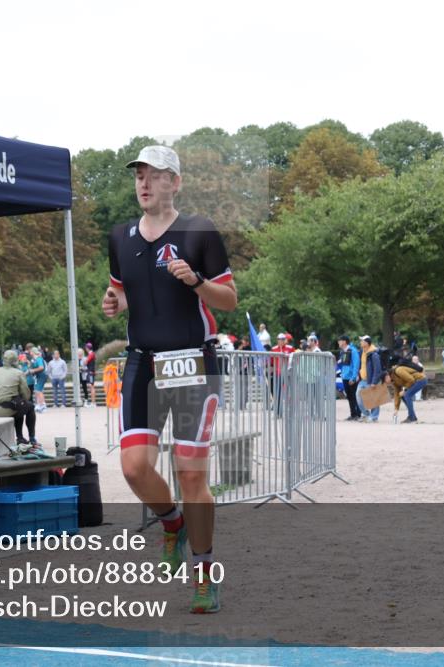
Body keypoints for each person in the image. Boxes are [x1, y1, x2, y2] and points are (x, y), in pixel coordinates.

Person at [101, 144, 237, 614]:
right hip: (142, 361)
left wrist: (197, 282)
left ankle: (204, 572)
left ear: (175, 182)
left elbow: (229, 300)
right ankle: (172, 523)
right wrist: (113, 302)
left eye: (155, 175)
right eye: (139, 174)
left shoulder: (199, 232)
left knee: (191, 474)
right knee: (134, 467)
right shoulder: (120, 237)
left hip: (193, 364)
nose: (144, 183)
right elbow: (119, 290)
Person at [0, 350, 38, 446]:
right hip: (7, 409)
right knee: (29, 406)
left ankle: (20, 437)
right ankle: (31, 438)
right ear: (15, 361)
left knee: (19, 405)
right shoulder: (18, 373)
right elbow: (26, 395)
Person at [388, 356, 427, 423]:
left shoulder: (398, 370)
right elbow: (397, 394)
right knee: (403, 396)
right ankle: (412, 416)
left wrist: (405, 390)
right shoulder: (393, 381)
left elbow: (411, 380)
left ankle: (411, 418)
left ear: (387, 376)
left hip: (420, 379)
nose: (386, 383)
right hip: (416, 381)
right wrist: (396, 408)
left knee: (407, 395)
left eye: (385, 381)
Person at [355, 335, 383, 422]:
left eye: (362, 341)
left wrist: (374, 382)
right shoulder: (362, 352)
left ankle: (374, 417)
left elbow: (377, 369)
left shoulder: (374, 354)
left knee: (374, 399)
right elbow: (361, 365)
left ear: (367, 343)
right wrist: (358, 375)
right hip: (363, 379)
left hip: (372, 380)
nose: (360, 342)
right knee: (358, 396)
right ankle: (366, 414)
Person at [270, 333, 294, 417]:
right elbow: (271, 362)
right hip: (278, 373)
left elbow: (294, 360)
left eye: (283, 339)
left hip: (288, 373)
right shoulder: (274, 349)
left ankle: (291, 412)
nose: (281, 341)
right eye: (279, 339)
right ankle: (278, 412)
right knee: (278, 393)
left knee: (290, 392)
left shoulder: (290, 348)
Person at [337, 336, 361, 421]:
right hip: (345, 377)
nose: (338, 343)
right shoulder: (343, 352)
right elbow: (342, 364)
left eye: (339, 341)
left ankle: (358, 414)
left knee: (355, 396)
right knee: (350, 397)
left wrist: (353, 377)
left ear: (344, 342)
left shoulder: (353, 351)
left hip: (351, 378)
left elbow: (356, 364)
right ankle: (353, 414)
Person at [26, 343, 48, 412]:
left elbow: (41, 367)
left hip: (41, 375)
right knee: (37, 390)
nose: (30, 353)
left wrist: (33, 370)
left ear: (33, 352)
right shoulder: (34, 359)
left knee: (38, 390)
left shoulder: (38, 359)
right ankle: (39, 404)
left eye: (31, 351)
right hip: (38, 376)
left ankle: (42, 405)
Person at [84, 342, 98, 407]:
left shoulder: (91, 354)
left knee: (92, 387)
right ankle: (93, 402)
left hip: (91, 372)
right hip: (91, 372)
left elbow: (85, 362)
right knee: (91, 387)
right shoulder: (92, 354)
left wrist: (85, 362)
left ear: (87, 348)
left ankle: (93, 403)